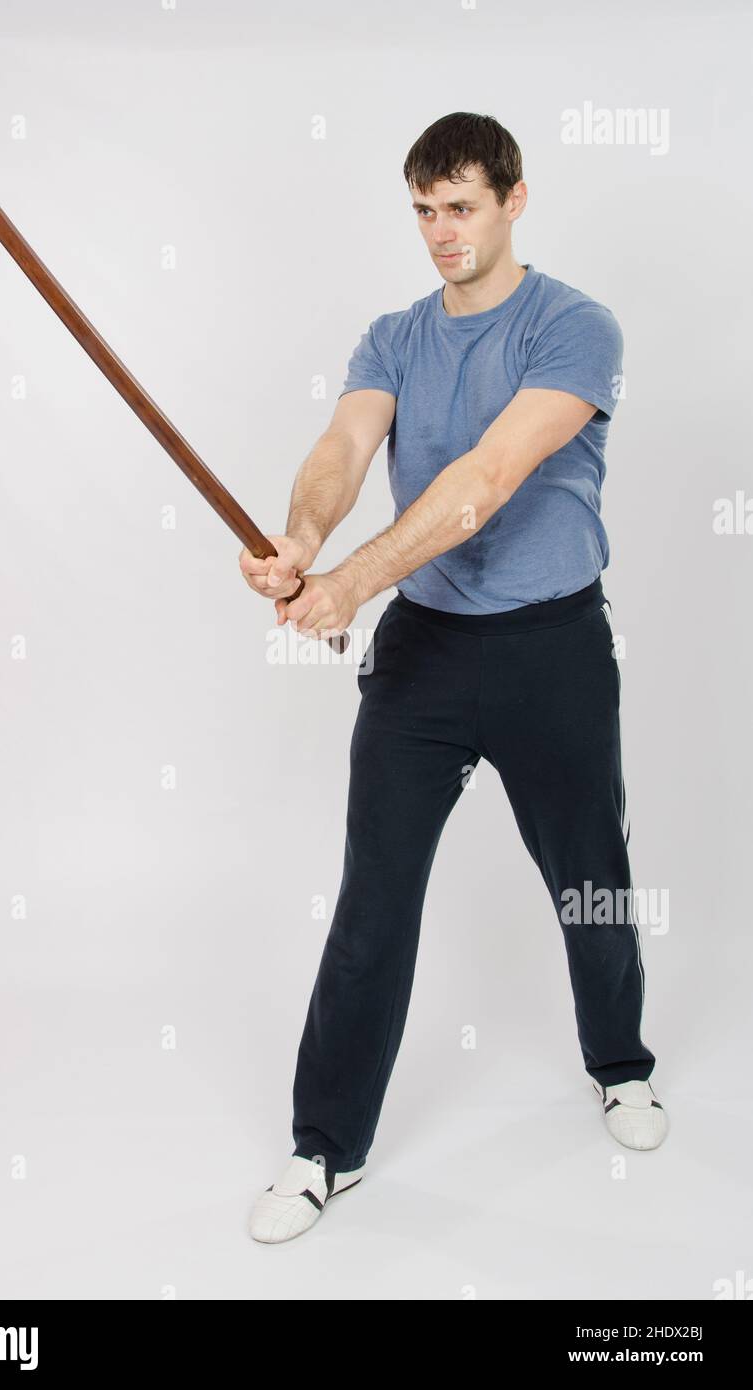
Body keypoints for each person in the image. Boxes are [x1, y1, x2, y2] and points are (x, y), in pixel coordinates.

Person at [239, 111, 665, 1246]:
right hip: (425, 654)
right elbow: (340, 453)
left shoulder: (575, 327)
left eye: (461, 207)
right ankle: (324, 1146)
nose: (440, 232)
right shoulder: (391, 335)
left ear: (514, 199)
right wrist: (298, 543)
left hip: (551, 649)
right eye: (423, 211)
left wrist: (350, 583)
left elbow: (483, 480)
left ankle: (619, 1065)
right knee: (372, 897)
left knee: (590, 875)